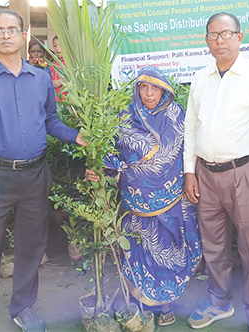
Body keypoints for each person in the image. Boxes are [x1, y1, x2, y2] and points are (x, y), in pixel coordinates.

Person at [0, 9, 87, 332]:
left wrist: (76, 135)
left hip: (35, 176)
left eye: (11, 29)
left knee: (31, 246)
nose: (5, 35)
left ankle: (23, 307)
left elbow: (51, 121)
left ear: (23, 35)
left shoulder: (41, 79)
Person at [84, 66, 202, 326]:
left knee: (169, 250)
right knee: (140, 250)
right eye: (143, 87)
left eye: (155, 87)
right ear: (137, 89)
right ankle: (141, 301)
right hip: (135, 202)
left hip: (171, 198)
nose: (149, 93)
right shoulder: (125, 116)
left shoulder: (178, 115)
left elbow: (190, 149)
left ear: (165, 89)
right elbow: (111, 152)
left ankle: (166, 302)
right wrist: (98, 168)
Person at [183, 12, 249, 332]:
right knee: (213, 243)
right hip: (205, 173)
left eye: (226, 34)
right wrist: (189, 171)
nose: (219, 40)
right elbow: (191, 128)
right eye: (213, 35)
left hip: (246, 173)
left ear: (240, 37)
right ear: (206, 40)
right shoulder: (200, 77)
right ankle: (219, 300)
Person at [49, 36, 66, 101]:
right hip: (55, 101)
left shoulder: (69, 64)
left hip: (67, 101)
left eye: (60, 45)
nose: (57, 49)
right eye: (55, 46)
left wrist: (62, 81)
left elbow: (75, 80)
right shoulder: (52, 64)